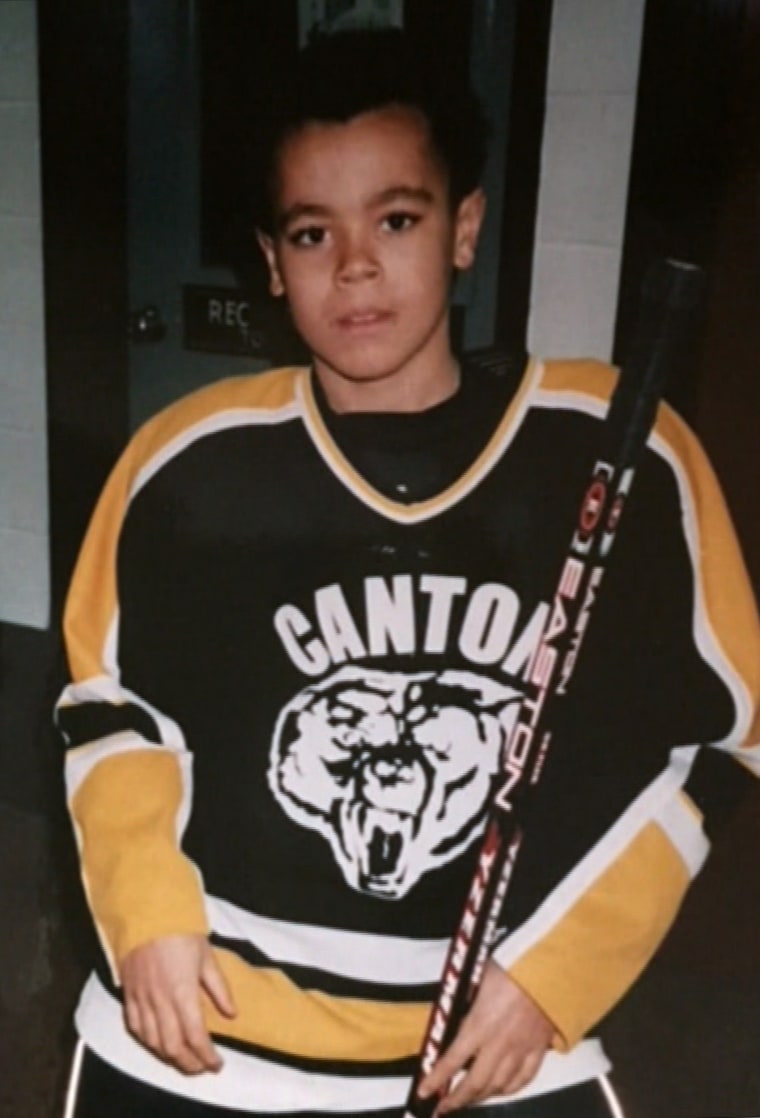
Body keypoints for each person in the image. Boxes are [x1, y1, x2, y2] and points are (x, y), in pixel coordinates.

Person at [58, 28, 760, 1118]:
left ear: (464, 226)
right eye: (310, 232)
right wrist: (145, 917)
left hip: (497, 1034)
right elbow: (109, 708)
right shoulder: (186, 463)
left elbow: (717, 739)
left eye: (396, 218)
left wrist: (552, 980)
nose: (353, 266)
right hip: (205, 1023)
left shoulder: (619, 447)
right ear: (270, 257)